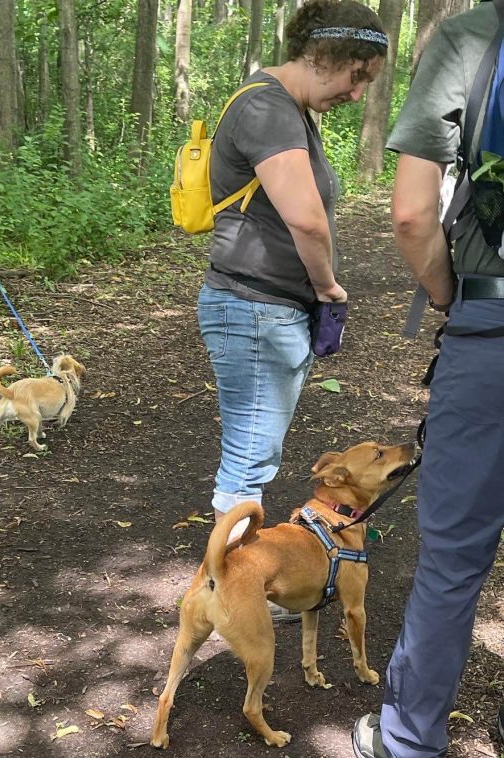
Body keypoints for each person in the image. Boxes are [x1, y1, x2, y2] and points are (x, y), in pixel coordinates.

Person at [352, 0, 504, 758]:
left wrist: (455, 296)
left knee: (451, 559)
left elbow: (412, 210)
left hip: (492, 326)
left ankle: (408, 748)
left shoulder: (473, 36)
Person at [198, 0, 387, 621]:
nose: (358, 95)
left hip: (264, 310)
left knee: (255, 452)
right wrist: (329, 287)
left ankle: (229, 582)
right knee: (250, 457)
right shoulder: (266, 107)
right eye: (358, 76)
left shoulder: (287, 110)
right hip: (255, 310)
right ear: (324, 55)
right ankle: (231, 589)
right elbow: (305, 215)